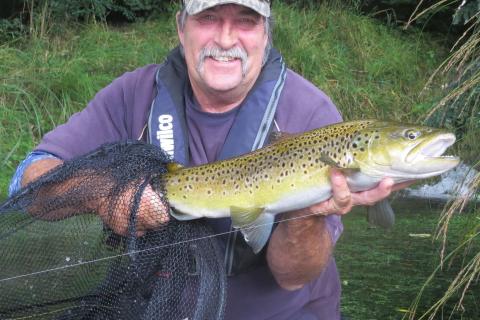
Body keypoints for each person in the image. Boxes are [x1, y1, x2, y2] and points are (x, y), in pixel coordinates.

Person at [9, 0, 411, 319]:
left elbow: (293, 277)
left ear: (266, 34)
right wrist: (102, 194)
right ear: (181, 27)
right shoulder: (132, 95)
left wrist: (307, 213)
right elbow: (29, 183)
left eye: (246, 20)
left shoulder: (312, 114)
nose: (225, 37)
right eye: (209, 17)